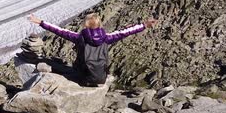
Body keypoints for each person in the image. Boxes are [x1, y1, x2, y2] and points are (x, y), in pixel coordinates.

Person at [28, 13, 157, 86]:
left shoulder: (80, 38)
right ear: (99, 24)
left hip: (83, 77)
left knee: (60, 67)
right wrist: (144, 25)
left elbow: (59, 30)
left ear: (85, 25)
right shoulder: (107, 38)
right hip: (101, 78)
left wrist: (40, 22)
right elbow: (125, 32)